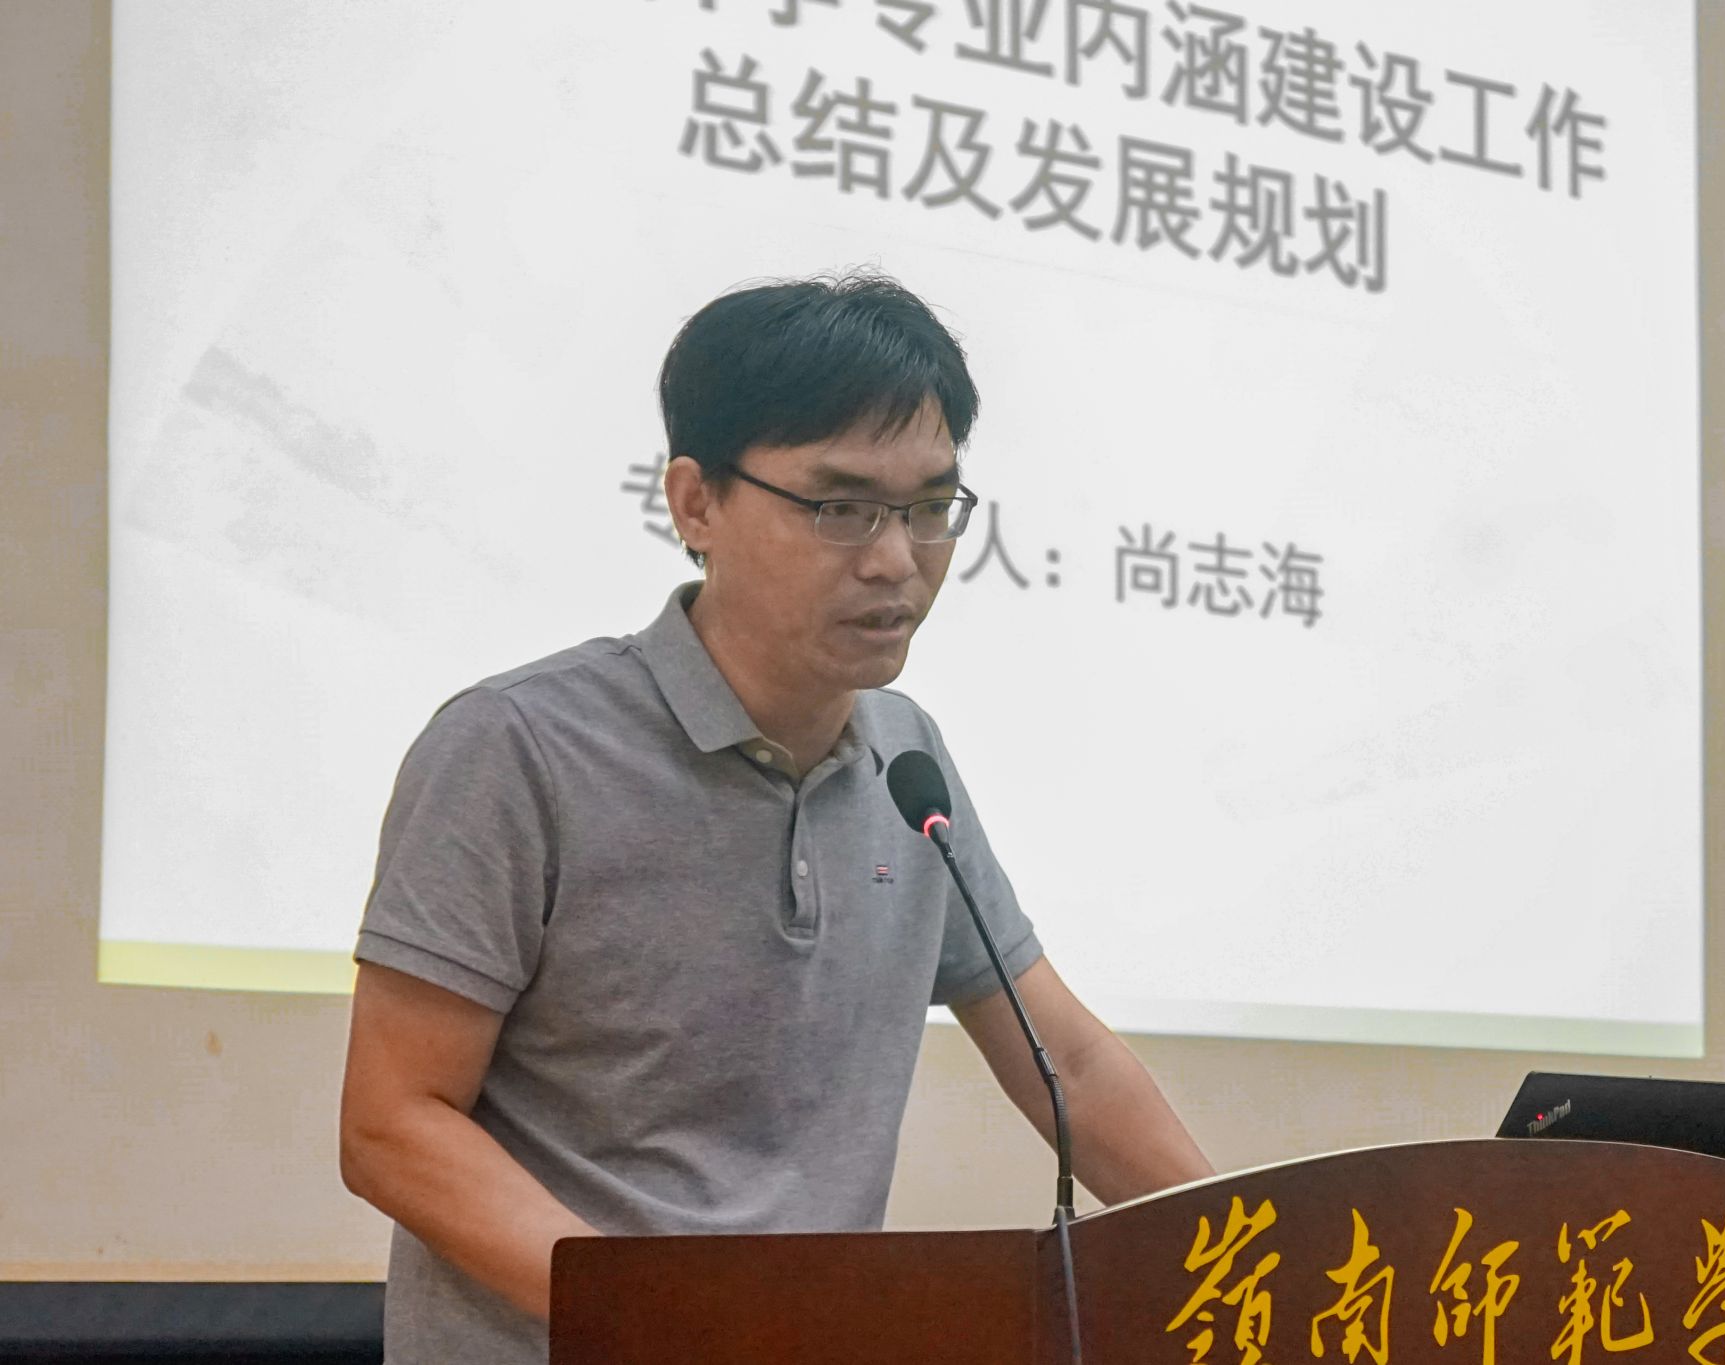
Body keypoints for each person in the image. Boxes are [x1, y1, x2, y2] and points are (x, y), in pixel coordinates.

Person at [337, 270, 1214, 1362]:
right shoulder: (518, 746)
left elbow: (1067, 1065)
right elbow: (394, 1124)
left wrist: (1264, 1259)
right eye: (841, 508)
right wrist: (660, 1324)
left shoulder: (905, 757)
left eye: (929, 508)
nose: (895, 560)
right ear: (695, 503)